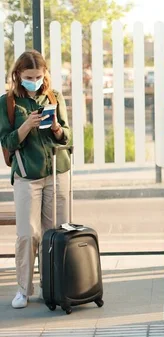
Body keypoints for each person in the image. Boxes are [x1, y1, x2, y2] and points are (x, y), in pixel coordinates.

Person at [0, 50, 71, 308]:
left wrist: (56, 128)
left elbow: (67, 138)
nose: (35, 80)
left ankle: (51, 286)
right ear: (18, 75)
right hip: (27, 174)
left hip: (56, 172)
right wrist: (26, 126)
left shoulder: (54, 97)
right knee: (28, 235)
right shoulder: (7, 102)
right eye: (29, 76)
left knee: (55, 233)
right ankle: (23, 289)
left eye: (39, 76)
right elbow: (6, 141)